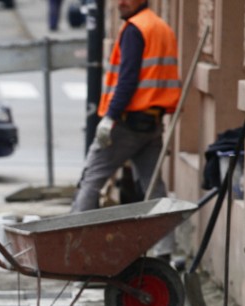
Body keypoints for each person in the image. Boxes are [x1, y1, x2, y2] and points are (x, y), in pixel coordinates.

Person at [70, 0, 181, 256]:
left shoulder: (135, 29)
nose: (121, 3)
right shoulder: (161, 27)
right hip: (152, 123)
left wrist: (110, 117)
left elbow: (128, 79)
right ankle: (165, 250)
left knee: (92, 179)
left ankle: (72, 245)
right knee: (154, 187)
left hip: (126, 124)